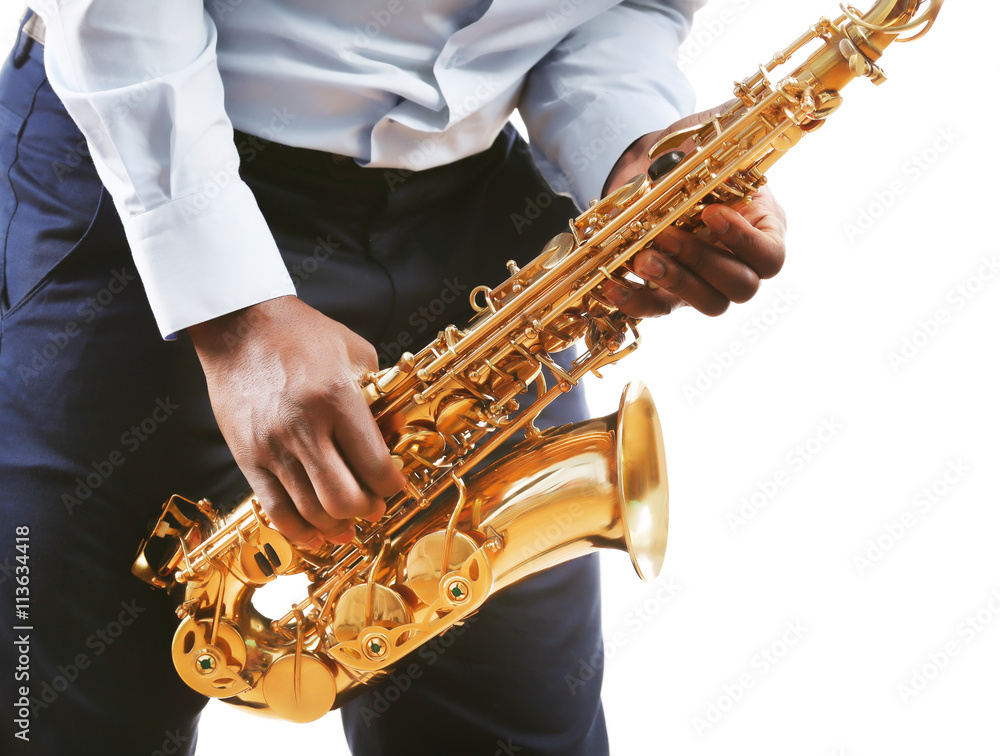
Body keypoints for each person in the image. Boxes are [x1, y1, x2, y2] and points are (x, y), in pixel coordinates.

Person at [0, 2, 785, 754]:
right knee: (55, 718)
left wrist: (631, 150)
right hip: (143, 168)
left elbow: (626, 7)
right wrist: (232, 308)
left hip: (476, 220)